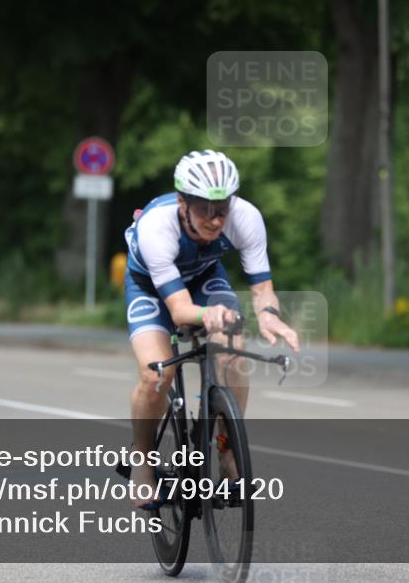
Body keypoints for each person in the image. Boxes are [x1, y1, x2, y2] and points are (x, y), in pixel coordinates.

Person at [123, 149, 300, 507]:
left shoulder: (246, 218)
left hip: (205, 277)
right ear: (181, 201)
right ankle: (142, 460)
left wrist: (267, 314)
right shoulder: (157, 227)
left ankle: (227, 450)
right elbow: (179, 310)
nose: (215, 219)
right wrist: (207, 316)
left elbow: (262, 288)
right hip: (152, 289)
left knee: (233, 348)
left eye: (222, 208)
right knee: (156, 373)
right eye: (203, 207)